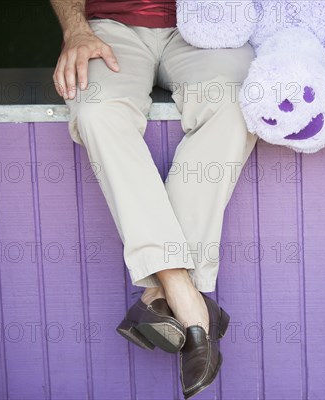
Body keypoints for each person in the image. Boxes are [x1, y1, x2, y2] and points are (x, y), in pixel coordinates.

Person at [50, 0, 257, 397]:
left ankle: (161, 293)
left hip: (209, 24)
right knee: (96, 110)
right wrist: (75, 29)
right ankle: (184, 293)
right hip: (110, 26)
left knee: (239, 103)